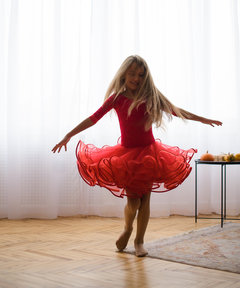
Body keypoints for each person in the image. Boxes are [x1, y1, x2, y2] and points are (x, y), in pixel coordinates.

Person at [52, 55, 222, 257]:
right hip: (127, 158)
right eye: (132, 74)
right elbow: (93, 118)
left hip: (150, 155)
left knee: (146, 201)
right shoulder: (117, 98)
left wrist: (203, 119)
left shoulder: (150, 96)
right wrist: (68, 135)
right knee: (133, 204)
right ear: (124, 74)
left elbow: (176, 110)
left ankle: (140, 241)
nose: (136, 78)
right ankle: (127, 228)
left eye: (140, 75)